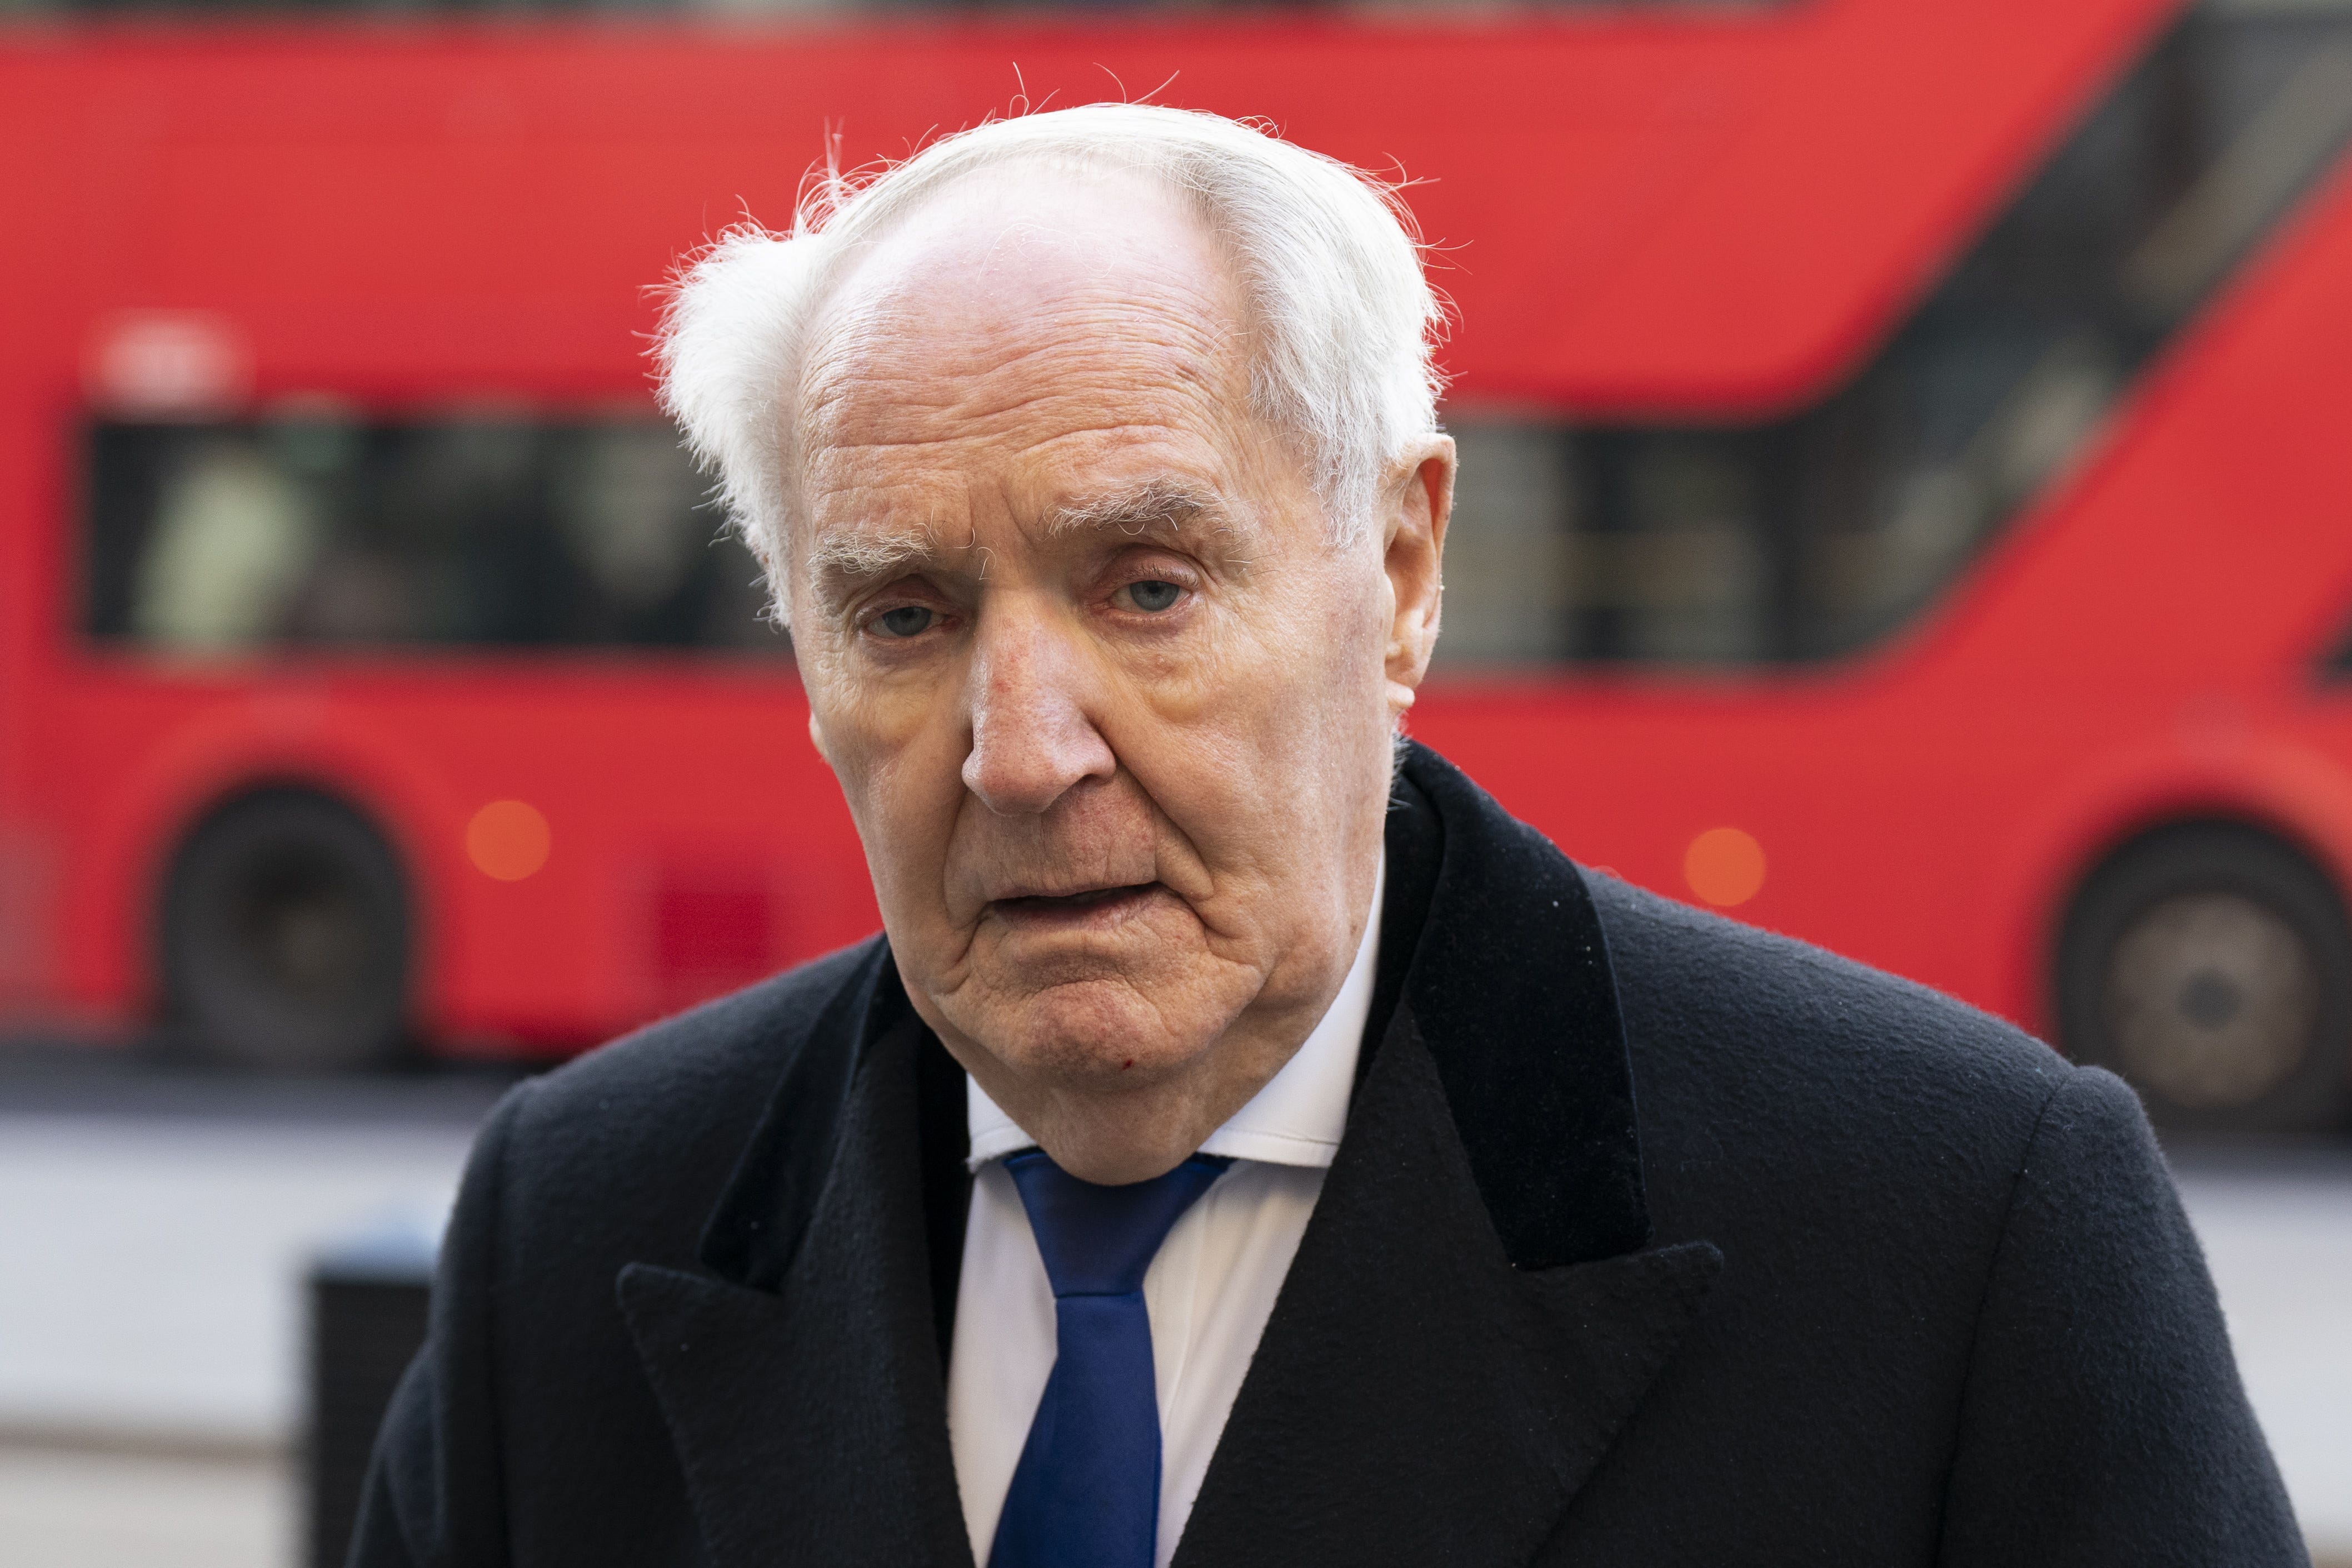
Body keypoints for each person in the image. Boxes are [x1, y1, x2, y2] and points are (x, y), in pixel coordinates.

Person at [351, 103, 2304, 1567]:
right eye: (902, 615)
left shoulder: (1961, 1225)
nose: (1020, 754)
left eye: (1146, 589)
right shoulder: (578, 1220)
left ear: (1398, 567)